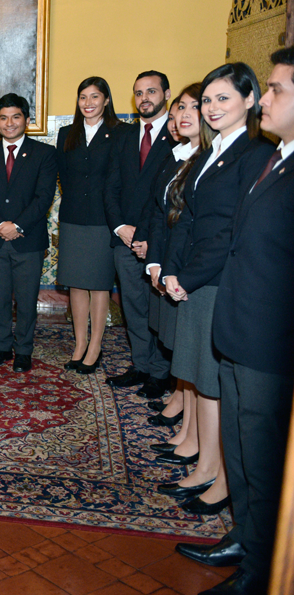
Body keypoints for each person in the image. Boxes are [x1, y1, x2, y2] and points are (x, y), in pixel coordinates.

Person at [176, 47, 294, 595]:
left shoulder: (263, 156)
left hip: (269, 339)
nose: (267, 99)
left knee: (265, 460)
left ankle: (261, 570)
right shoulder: (276, 159)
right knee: (244, 452)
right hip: (241, 329)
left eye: (276, 90)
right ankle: (246, 540)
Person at [161, 62, 274, 518]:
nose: (211, 107)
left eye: (222, 98)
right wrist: (172, 270)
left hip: (217, 280)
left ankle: (220, 475)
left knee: (212, 382)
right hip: (194, 277)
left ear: (250, 100)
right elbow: (188, 218)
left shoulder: (255, 152)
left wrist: (186, 278)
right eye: (207, 99)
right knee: (201, 378)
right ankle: (207, 465)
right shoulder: (212, 151)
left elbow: (231, 230)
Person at [0, 93, 58, 373]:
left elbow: (43, 198)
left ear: (27, 120)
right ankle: (2, 347)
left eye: (16, 117)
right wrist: (0, 225)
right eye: (3, 118)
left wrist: (17, 226)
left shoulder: (44, 153)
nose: (9, 123)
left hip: (27, 239)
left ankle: (23, 350)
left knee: (26, 300)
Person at [104, 71, 177, 398]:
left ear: (166, 94)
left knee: (159, 309)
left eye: (151, 91)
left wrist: (146, 235)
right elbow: (111, 186)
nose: (144, 98)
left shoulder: (177, 135)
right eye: (138, 93)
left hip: (159, 240)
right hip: (125, 239)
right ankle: (141, 365)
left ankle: (161, 373)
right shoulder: (123, 136)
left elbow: (167, 196)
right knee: (133, 307)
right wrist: (121, 228)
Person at [144, 86, 203, 444]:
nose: (184, 114)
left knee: (188, 347)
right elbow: (160, 210)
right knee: (176, 341)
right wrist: (155, 261)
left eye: (195, 106)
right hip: (168, 259)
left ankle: (187, 417)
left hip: (188, 267)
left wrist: (171, 268)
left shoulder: (206, 158)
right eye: (181, 107)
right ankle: (180, 400)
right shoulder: (176, 155)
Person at [54, 77, 120, 374]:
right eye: (83, 97)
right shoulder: (66, 133)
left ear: (106, 100)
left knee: (99, 284)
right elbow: (63, 175)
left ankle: (95, 346)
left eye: (95, 96)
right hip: (72, 217)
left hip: (103, 219)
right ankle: (80, 344)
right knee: (76, 283)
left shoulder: (120, 132)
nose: (88, 103)